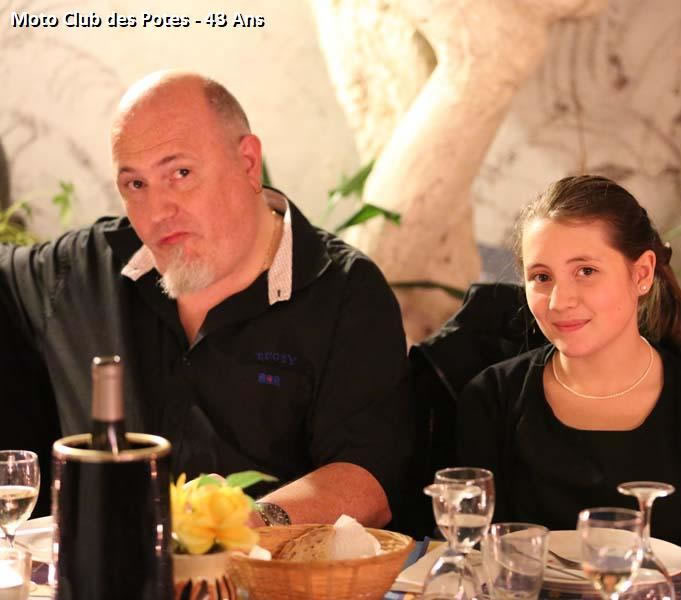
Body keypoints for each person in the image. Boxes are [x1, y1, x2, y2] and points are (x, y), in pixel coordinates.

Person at [0, 71, 412, 528]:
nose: (158, 210)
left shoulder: (343, 291)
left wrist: (247, 523)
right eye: (135, 185)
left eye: (180, 173)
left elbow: (366, 482)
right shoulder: (83, 269)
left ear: (248, 163)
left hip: (265, 567)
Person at [457, 176, 681, 545]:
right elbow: (473, 553)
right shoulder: (491, 399)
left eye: (586, 271)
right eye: (542, 277)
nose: (559, 301)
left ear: (642, 273)